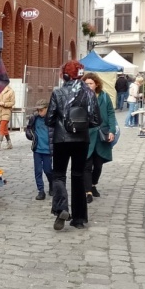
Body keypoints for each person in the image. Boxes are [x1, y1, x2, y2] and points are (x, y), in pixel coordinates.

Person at [46, 60, 101, 230]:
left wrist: (62, 123)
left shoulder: (58, 93)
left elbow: (49, 119)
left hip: (62, 139)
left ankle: (62, 208)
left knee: (59, 175)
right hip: (82, 140)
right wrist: (81, 126)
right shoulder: (90, 94)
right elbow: (96, 120)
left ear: (65, 75)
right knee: (78, 175)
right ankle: (79, 218)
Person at [83, 74, 116, 203]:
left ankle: (93, 184)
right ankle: (88, 191)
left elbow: (110, 113)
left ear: (96, 84)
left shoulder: (104, 96)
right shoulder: (82, 97)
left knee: (98, 164)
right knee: (87, 164)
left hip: (102, 134)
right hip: (87, 135)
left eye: (90, 83)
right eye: (86, 84)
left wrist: (112, 130)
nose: (88, 86)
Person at [25, 98, 53, 200]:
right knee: (38, 171)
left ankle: (51, 183)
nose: (39, 112)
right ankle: (41, 191)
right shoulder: (34, 118)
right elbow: (28, 129)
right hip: (37, 149)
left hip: (48, 149)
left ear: (47, 108)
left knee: (48, 170)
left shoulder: (52, 118)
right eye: (38, 110)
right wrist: (31, 136)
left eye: (41, 110)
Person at [0, 83, 16, 150]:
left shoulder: (11, 91)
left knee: (2, 128)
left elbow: (12, 102)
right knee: (5, 129)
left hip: (6, 112)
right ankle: (9, 144)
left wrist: (4, 104)